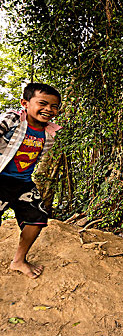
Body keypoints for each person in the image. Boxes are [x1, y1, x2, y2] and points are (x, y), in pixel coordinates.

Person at [0, 83, 61, 278]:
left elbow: (37, 157)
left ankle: (18, 260)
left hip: (23, 184)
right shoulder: (13, 119)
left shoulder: (49, 134)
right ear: (24, 103)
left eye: (54, 106)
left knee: (37, 219)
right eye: (43, 103)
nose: (49, 110)